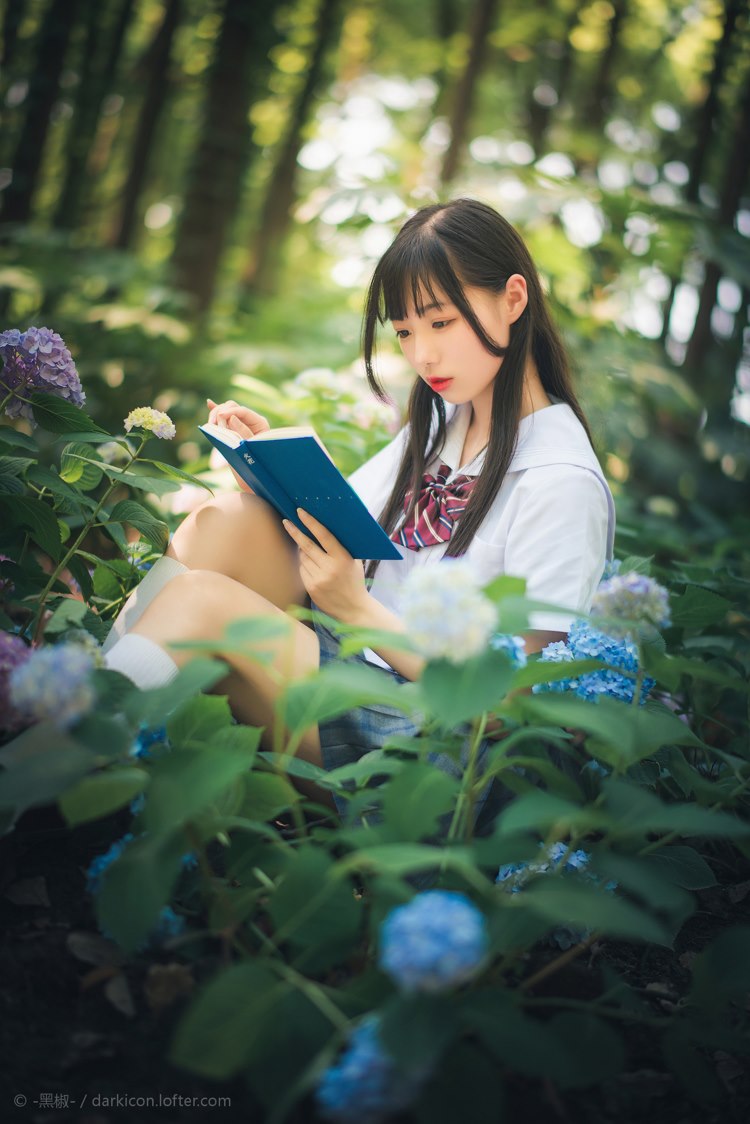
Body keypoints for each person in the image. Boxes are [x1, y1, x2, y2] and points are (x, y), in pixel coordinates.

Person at [103, 198, 615, 817]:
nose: (421, 355)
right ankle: (80, 711)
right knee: (229, 523)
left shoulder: (561, 480)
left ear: (513, 299)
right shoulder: (442, 427)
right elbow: (346, 529)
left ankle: (72, 762)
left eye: (441, 322)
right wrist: (276, 473)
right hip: (360, 654)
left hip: (428, 744)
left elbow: (509, 707)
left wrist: (356, 609)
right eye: (404, 331)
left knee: (201, 603)